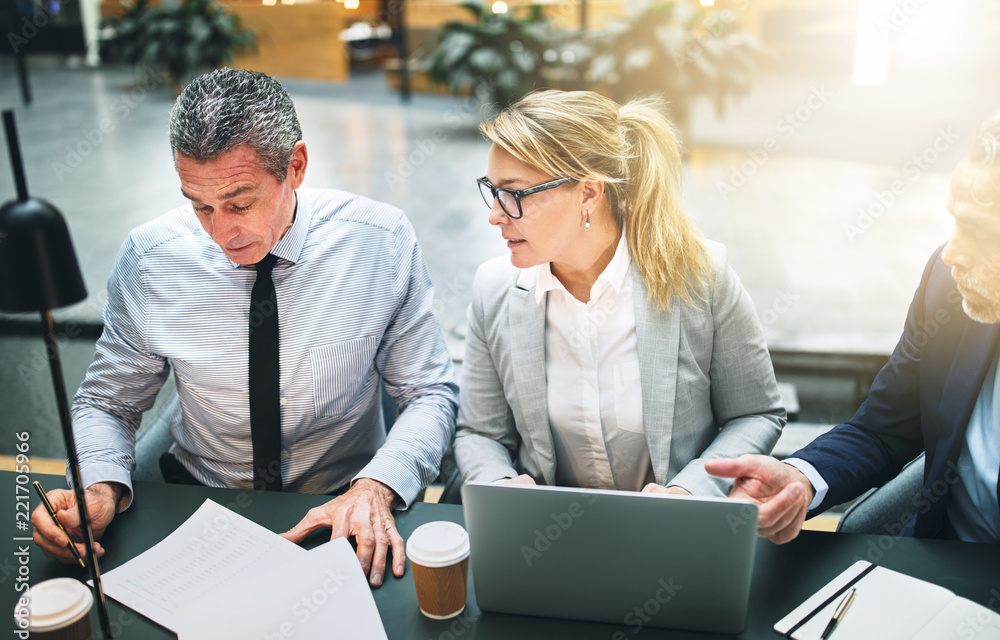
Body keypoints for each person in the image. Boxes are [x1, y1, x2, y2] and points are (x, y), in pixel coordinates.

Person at [30, 68, 459, 586]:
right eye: (200, 205)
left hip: (342, 505)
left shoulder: (380, 242)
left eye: (240, 203)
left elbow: (429, 392)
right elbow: (108, 402)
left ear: (295, 167)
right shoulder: (152, 258)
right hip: (200, 500)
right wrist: (98, 486)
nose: (220, 232)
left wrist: (375, 487)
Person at [453, 89, 785, 496]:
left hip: (671, 536)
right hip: (544, 536)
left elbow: (755, 414)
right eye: (492, 189)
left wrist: (691, 492)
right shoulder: (495, 290)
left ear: (589, 193)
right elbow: (480, 433)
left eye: (515, 194)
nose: (495, 214)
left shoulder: (700, 277)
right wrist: (500, 484)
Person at [707, 109, 1000, 544]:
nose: (952, 253)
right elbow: (882, 430)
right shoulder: (947, 288)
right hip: (946, 559)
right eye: (955, 221)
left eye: (976, 230)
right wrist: (798, 479)